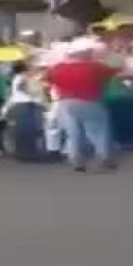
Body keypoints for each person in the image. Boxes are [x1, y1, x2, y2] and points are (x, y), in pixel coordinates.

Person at [47, 44, 117, 172]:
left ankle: (75, 158)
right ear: (85, 54)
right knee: (99, 129)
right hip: (89, 101)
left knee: (72, 133)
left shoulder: (57, 68)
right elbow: (113, 72)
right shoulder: (94, 67)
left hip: (65, 102)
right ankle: (103, 157)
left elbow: (48, 80)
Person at [4, 61, 50, 162]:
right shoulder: (22, 77)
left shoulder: (16, 77)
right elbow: (22, 88)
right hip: (26, 104)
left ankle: (23, 154)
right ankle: (29, 154)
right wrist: (33, 98)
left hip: (20, 104)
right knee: (27, 130)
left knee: (23, 131)